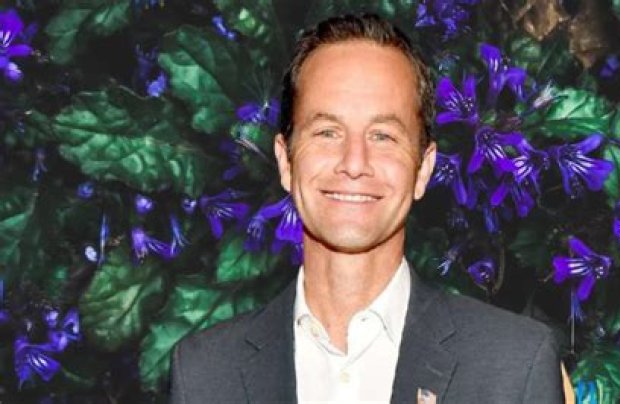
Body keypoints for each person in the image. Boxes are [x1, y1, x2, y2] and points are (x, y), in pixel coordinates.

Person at [170, 14, 565, 403]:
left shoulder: (515, 366)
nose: (354, 163)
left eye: (383, 136)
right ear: (285, 161)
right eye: (327, 132)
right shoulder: (205, 373)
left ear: (424, 168)